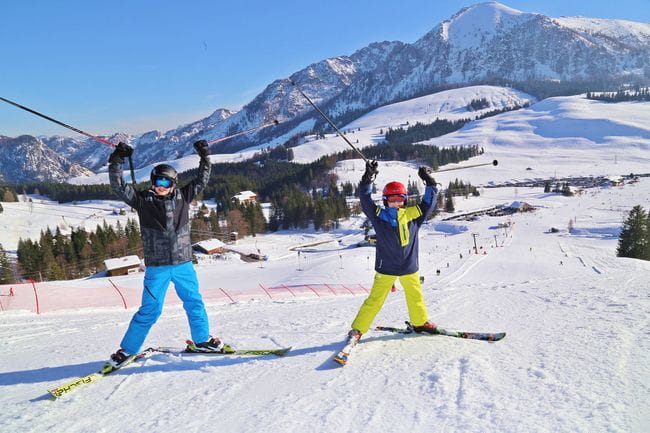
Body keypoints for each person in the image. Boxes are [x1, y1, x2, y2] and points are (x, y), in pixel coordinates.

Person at [105, 140, 230, 371]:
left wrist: (205, 157)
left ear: (173, 184)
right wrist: (117, 159)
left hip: (183, 264)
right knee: (150, 310)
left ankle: (201, 341)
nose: (160, 186)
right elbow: (119, 186)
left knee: (194, 302)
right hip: (158, 267)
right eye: (156, 181)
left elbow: (202, 179)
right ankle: (127, 350)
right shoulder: (142, 200)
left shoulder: (184, 195)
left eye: (165, 182)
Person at [347, 160, 439, 343]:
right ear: (385, 201)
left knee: (415, 295)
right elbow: (365, 201)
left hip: (409, 266)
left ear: (404, 200)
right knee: (375, 299)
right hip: (386, 267)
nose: (396, 203)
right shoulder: (379, 216)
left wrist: (430, 183)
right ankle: (358, 329)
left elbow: (428, 203)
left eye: (399, 200)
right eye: (392, 200)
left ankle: (420, 322)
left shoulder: (414, 215)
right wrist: (367, 179)